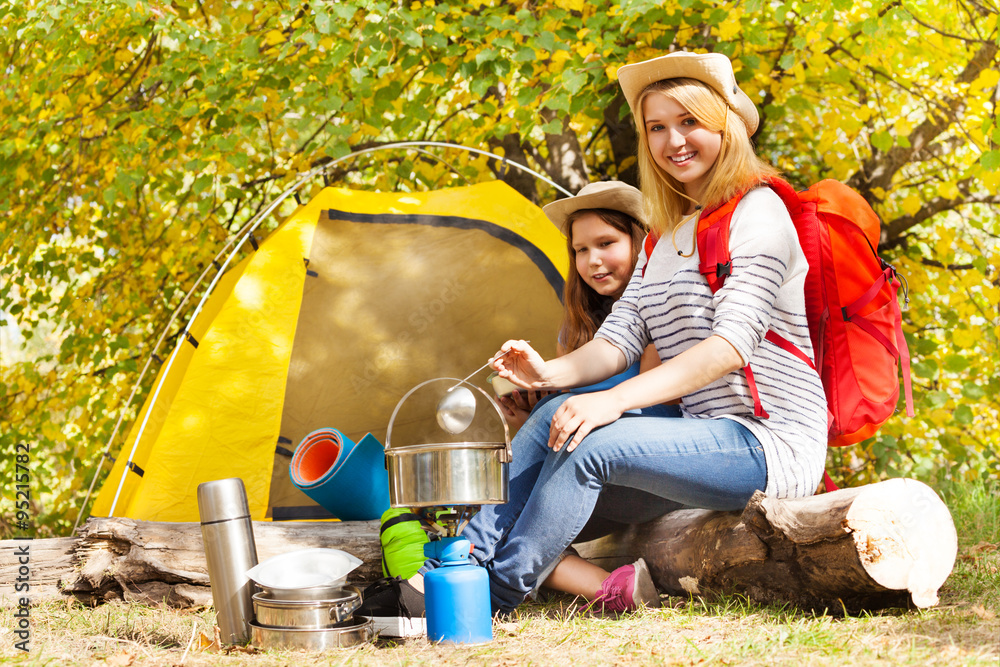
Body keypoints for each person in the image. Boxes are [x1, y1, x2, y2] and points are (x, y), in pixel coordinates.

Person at [361, 50, 828, 627]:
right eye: (657, 127)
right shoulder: (664, 239)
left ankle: (491, 595)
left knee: (592, 440)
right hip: (703, 445)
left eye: (689, 122)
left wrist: (609, 402)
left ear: (724, 126)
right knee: (556, 419)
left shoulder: (759, 212)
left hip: (768, 443)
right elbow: (618, 340)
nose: (672, 141)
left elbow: (729, 347)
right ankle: (452, 577)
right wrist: (544, 374)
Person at [494, 181, 658, 431]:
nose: (593, 260)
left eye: (605, 243)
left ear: (638, 242)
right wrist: (532, 415)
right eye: (581, 249)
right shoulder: (575, 327)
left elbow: (658, 410)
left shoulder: (659, 313)